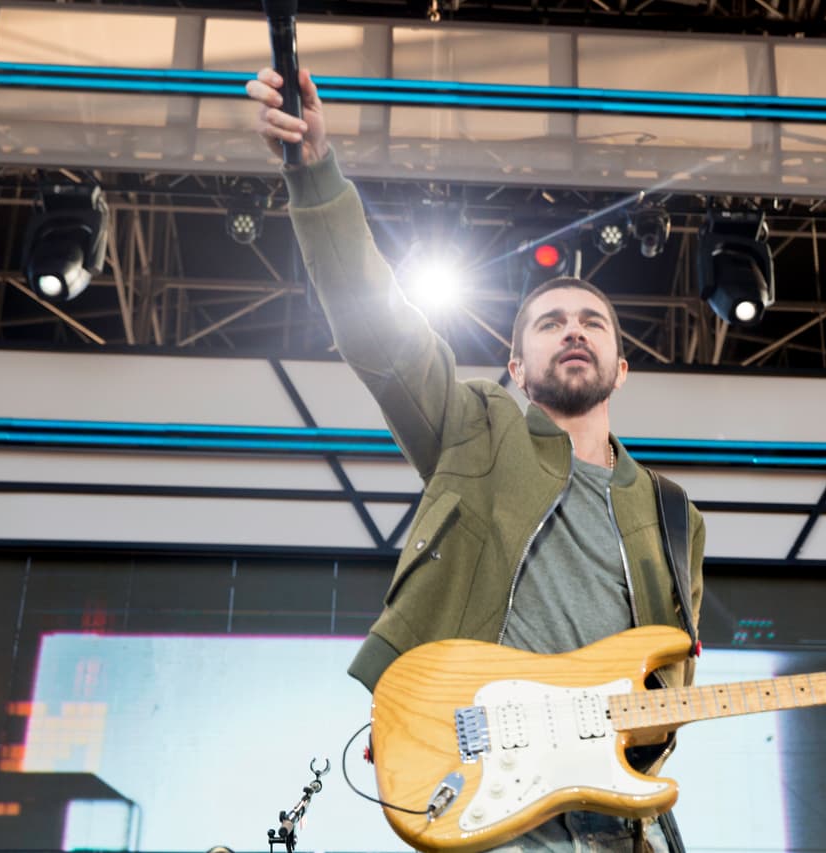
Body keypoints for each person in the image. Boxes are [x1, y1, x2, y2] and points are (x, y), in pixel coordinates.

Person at [247, 66, 705, 853]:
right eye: (550, 322)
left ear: (621, 367)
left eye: (593, 321)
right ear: (516, 368)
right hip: (489, 812)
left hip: (621, 827)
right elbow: (379, 329)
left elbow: (667, 691)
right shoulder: (474, 427)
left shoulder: (673, 515)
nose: (573, 329)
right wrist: (314, 168)